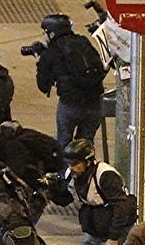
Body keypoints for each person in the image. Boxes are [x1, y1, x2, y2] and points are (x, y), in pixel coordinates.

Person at [46, 138, 136, 245]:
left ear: (87, 162)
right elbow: (66, 199)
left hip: (117, 233)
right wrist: (51, 189)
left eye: (76, 164)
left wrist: (113, 237)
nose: (71, 168)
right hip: (94, 231)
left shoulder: (106, 175)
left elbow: (121, 208)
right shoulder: (72, 175)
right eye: (69, 164)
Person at [34, 13, 105, 148]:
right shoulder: (83, 42)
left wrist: (40, 59)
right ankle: (86, 167)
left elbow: (42, 85)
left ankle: (65, 168)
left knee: (64, 142)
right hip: (94, 103)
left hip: (70, 103)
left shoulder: (51, 52)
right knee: (85, 143)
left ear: (52, 33)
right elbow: (100, 68)